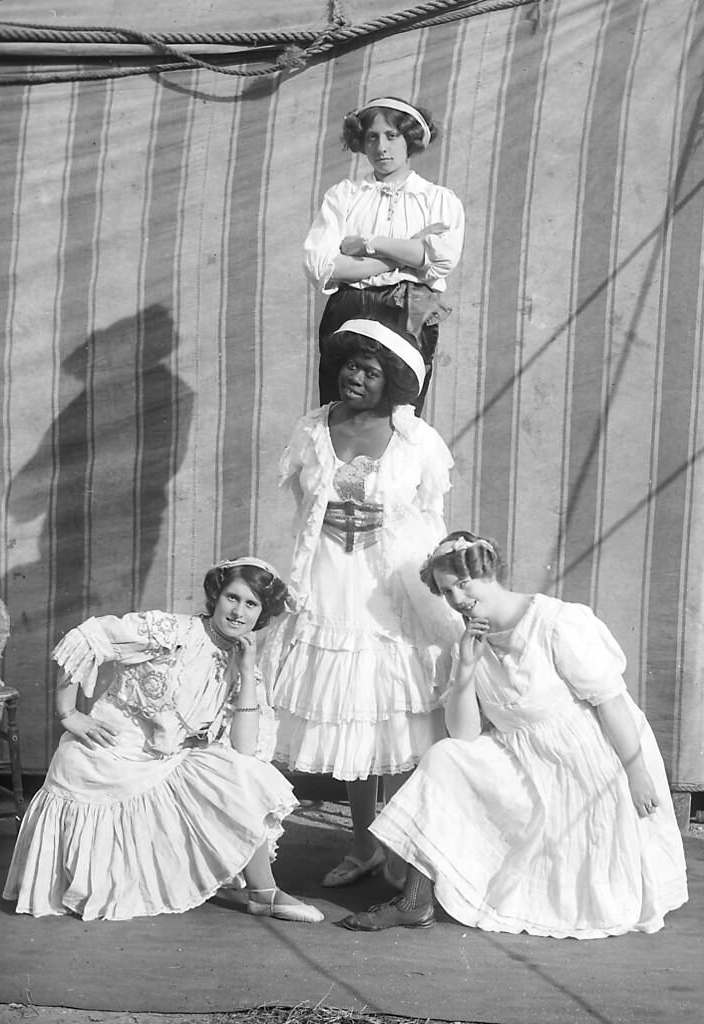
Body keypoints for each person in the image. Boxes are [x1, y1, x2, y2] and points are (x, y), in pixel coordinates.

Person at [342, 531, 689, 937]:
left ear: (488, 572)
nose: (456, 599)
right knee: (445, 757)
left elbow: (611, 702)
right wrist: (467, 670)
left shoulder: (557, 623)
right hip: (519, 759)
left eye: (462, 584)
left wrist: (637, 771)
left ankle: (424, 894)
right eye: (446, 592)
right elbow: (465, 735)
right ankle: (414, 901)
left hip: (582, 766)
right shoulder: (468, 643)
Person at [3, 557, 323, 924]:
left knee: (243, 772)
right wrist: (68, 713)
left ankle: (263, 894)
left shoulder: (241, 659)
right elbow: (87, 638)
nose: (238, 612)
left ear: (262, 613)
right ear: (216, 595)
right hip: (108, 753)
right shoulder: (169, 631)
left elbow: (246, 748)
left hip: (166, 760)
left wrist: (247, 671)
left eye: (251, 604)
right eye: (232, 598)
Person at [261, 318, 461, 890]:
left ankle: (401, 853)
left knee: (393, 717)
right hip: (328, 579)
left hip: (389, 585)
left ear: (391, 382)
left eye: (371, 371)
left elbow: (430, 515)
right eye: (351, 364)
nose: (356, 377)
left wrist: (395, 539)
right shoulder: (313, 428)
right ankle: (363, 842)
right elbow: (304, 505)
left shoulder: (416, 440)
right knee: (347, 712)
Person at [304, 96, 465, 413]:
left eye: (392, 136)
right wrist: (405, 253)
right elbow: (320, 263)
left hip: (412, 307)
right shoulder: (344, 195)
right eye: (372, 137)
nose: (381, 147)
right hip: (351, 305)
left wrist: (367, 244)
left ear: (410, 140)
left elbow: (442, 258)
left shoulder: (438, 199)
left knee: (401, 414)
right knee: (342, 408)